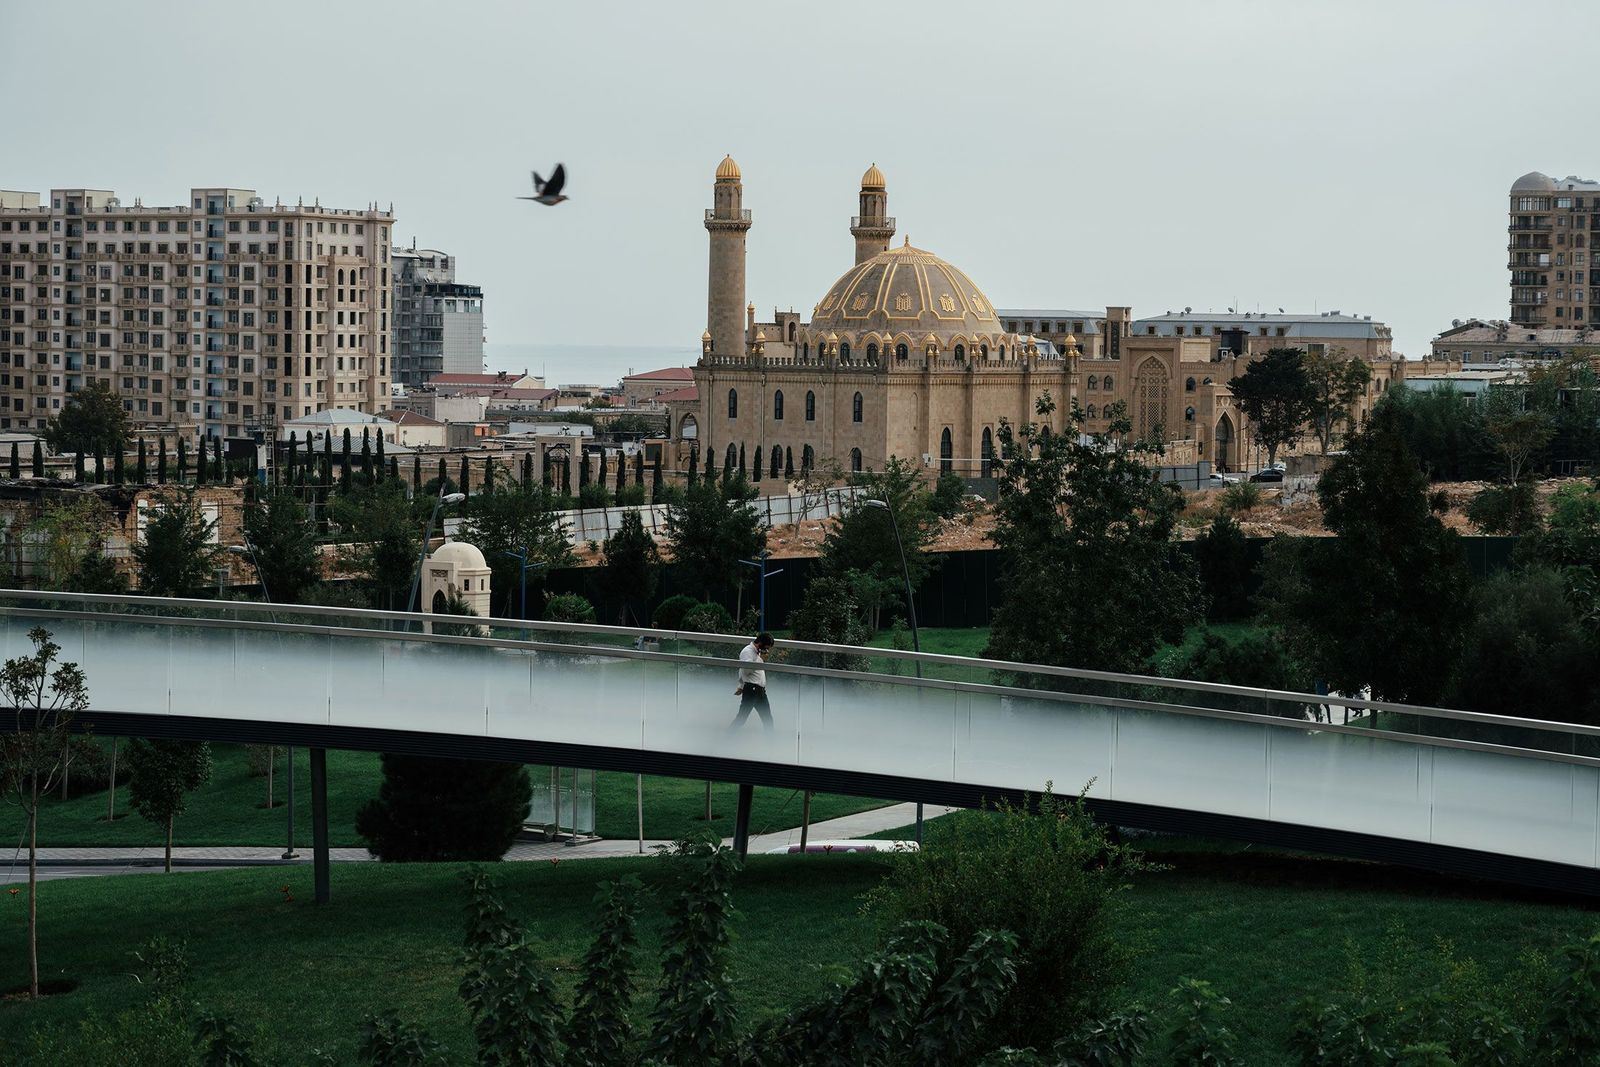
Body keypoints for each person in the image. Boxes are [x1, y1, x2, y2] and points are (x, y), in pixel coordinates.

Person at [733, 631, 775, 731]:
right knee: (741, 718)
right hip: (752, 690)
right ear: (760, 643)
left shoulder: (757, 653)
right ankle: (726, 738)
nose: (767, 651)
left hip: (759, 690)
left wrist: (741, 686)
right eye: (766, 647)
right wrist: (758, 659)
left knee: (767, 719)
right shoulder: (748, 652)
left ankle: (772, 743)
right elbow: (745, 670)